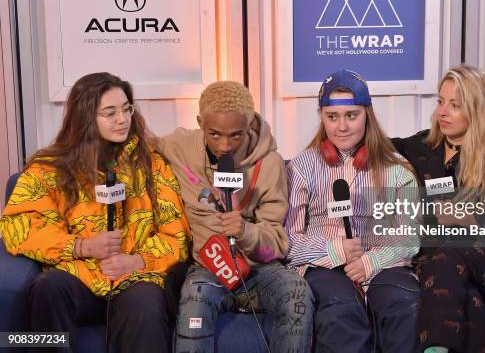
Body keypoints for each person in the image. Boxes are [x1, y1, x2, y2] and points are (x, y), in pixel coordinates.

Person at [0, 72, 191, 352]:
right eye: (110, 112)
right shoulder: (48, 167)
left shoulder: (152, 164)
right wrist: (81, 246)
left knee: (146, 306)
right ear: (86, 116)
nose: (122, 119)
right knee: (48, 288)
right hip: (79, 273)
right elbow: (19, 226)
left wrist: (138, 261)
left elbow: (176, 234)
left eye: (127, 109)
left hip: (134, 277)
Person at [156, 81, 314, 353]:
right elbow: (136, 141)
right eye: (214, 134)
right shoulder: (180, 146)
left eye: (236, 135)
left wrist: (245, 231)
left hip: (260, 268)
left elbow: (276, 244)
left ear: (250, 123)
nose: (225, 146)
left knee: (297, 294)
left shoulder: (270, 163)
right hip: (209, 265)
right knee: (194, 300)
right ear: (200, 123)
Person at [392, 65, 485, 353]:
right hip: (443, 269)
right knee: (468, 302)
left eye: (455, 105)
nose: (443, 112)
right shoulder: (422, 147)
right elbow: (377, 145)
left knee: (451, 253)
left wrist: (473, 221)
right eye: (441, 101)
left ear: (477, 110)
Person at [285, 70, 421, 353]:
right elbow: (288, 243)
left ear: (367, 114)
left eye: (352, 115)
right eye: (332, 117)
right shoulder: (302, 167)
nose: (342, 126)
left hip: (384, 264)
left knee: (405, 308)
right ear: (322, 117)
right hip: (325, 265)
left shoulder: (398, 169)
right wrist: (337, 250)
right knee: (341, 313)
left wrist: (370, 262)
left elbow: (409, 238)